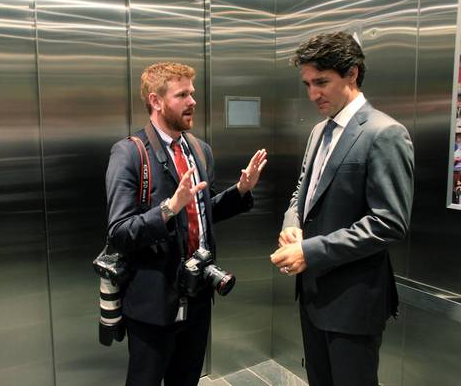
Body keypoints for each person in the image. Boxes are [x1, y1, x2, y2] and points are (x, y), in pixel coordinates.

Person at [106, 62, 267, 386]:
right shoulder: (129, 153)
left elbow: (203, 213)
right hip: (153, 304)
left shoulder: (199, 149)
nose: (193, 101)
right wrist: (168, 209)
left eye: (192, 93)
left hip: (198, 295)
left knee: (187, 379)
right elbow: (119, 232)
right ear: (156, 101)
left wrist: (240, 191)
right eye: (182, 95)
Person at [270, 32, 414, 386]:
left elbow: (389, 222)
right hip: (313, 294)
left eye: (322, 82)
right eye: (307, 84)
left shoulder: (385, 133)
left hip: (353, 301)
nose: (312, 94)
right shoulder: (319, 131)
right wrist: (293, 223)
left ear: (351, 73)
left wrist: (311, 251)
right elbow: (302, 191)